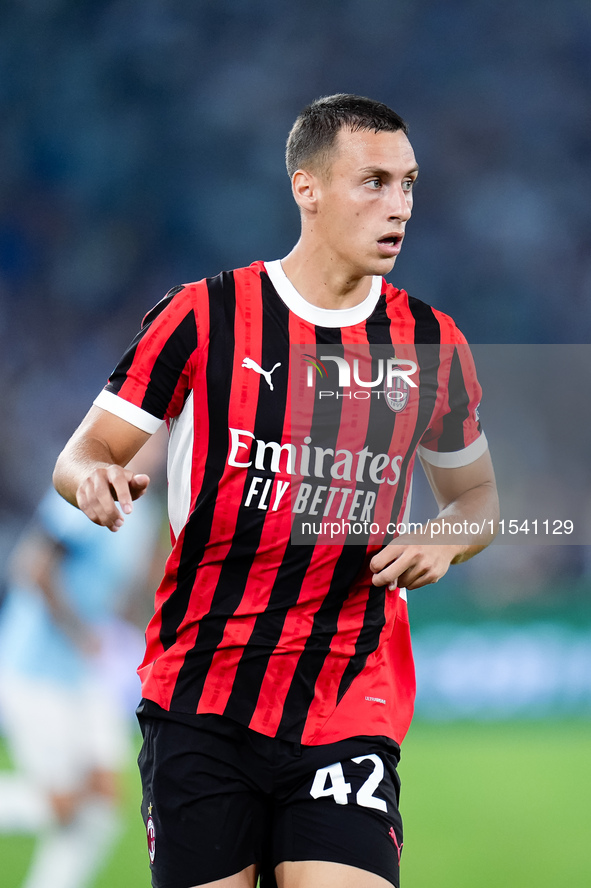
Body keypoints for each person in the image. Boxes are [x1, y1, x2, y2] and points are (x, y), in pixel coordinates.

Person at [52, 94, 499, 888]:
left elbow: (477, 499)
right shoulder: (200, 316)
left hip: (344, 694)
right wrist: (94, 479)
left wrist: (446, 535)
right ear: (307, 188)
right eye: (373, 182)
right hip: (199, 690)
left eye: (408, 184)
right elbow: (84, 451)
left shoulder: (431, 342)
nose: (398, 206)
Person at [0, 436, 167, 888]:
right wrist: (81, 636)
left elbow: (121, 596)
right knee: (67, 807)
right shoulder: (88, 493)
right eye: (148, 440)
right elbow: (33, 568)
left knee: (103, 804)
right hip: (37, 672)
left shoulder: (145, 515)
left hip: (83, 675)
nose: (158, 449)